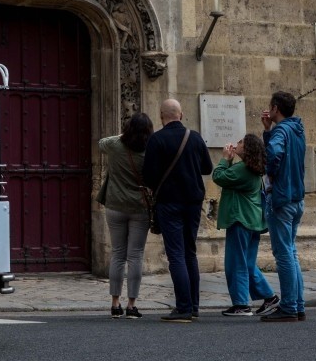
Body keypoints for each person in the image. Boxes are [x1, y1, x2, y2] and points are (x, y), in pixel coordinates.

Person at [142, 98, 213, 322]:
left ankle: (183, 307)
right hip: (193, 202)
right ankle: (193, 306)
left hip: (169, 202)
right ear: (180, 115)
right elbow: (207, 168)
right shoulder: (195, 137)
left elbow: (149, 177)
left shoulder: (157, 140)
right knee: (190, 252)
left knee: (176, 255)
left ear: (161, 115)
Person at [213, 133, 276, 317]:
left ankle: (241, 304)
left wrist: (225, 159)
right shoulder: (253, 169)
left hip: (240, 219)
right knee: (247, 264)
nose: (237, 143)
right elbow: (230, 178)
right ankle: (269, 297)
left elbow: (219, 176)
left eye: (240, 142)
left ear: (247, 149)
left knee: (235, 263)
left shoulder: (243, 169)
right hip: (252, 220)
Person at [99, 113, 154, 319]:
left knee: (118, 254)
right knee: (135, 255)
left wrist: (124, 134)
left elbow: (101, 142)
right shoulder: (150, 150)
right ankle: (132, 304)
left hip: (115, 205)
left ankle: (115, 303)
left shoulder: (115, 145)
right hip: (140, 207)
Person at [261, 90, 307, 322]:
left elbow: (275, 154)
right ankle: (297, 305)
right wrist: (268, 130)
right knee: (291, 252)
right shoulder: (297, 130)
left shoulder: (281, 130)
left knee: (284, 255)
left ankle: (288, 306)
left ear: (276, 109)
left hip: (282, 198)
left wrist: (270, 174)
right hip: (297, 199)